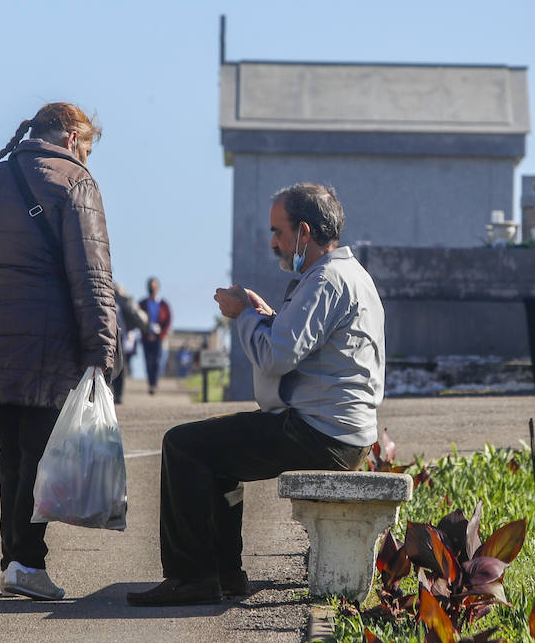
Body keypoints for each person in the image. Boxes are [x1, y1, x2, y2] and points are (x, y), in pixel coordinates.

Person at [127, 183, 385, 606]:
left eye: (278, 232)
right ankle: (225, 573)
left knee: (183, 446)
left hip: (319, 435)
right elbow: (301, 344)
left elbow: (275, 357)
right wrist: (266, 316)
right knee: (218, 456)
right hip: (342, 432)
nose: (273, 243)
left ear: (304, 232)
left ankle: (191, 577)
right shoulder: (352, 276)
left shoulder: (325, 280)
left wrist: (243, 315)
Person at [0, 102, 118, 602]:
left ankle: (15, 561)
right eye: (86, 148)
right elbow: (92, 276)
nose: (86, 158)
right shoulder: (75, 183)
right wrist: (103, 351)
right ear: (70, 139)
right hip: (47, 346)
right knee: (35, 454)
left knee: (15, 452)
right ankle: (25, 561)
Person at [111, 284, 148, 404]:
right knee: (113, 367)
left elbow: (133, 313)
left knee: (120, 367)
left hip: (120, 337)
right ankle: (114, 393)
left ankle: (118, 394)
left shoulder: (121, 298)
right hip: (111, 336)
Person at [139, 277, 172, 395]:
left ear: (158, 288)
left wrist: (160, 335)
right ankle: (150, 383)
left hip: (159, 338)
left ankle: (155, 383)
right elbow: (138, 320)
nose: (152, 289)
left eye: (154, 287)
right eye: (150, 287)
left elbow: (168, 321)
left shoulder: (164, 305)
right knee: (148, 361)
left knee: (157, 360)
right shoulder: (142, 303)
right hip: (146, 337)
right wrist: (146, 334)